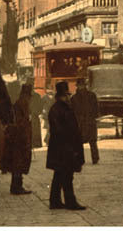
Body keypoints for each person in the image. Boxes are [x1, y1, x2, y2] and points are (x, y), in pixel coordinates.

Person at [46, 81, 85, 211]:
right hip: (64, 148)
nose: (68, 97)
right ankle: (70, 202)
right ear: (62, 96)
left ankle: (55, 201)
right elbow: (62, 130)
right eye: (66, 95)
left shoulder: (56, 108)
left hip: (59, 148)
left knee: (59, 175)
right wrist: (71, 146)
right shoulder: (61, 109)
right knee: (67, 176)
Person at [2, 83, 33, 194]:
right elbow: (22, 123)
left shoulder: (19, 103)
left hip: (17, 139)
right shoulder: (23, 103)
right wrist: (26, 139)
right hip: (19, 140)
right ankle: (16, 187)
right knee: (18, 164)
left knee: (17, 164)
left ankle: (17, 186)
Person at [70, 78, 100, 164]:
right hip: (85, 122)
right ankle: (91, 159)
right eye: (80, 85)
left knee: (89, 142)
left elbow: (95, 109)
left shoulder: (75, 97)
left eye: (82, 85)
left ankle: (91, 159)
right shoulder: (76, 98)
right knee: (88, 141)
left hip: (85, 122)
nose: (81, 87)